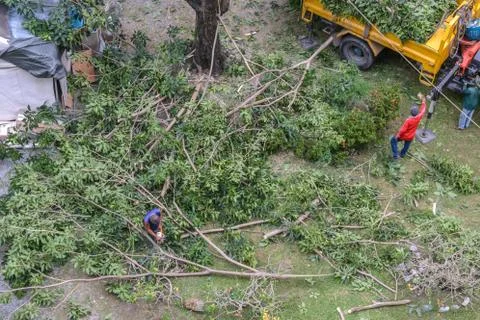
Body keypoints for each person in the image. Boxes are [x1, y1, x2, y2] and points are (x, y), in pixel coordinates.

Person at [390, 93, 426, 159]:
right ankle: (402, 154)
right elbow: (423, 111)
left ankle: (395, 155)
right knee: (406, 145)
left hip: (405, 135)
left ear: (411, 112)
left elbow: (403, 130)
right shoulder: (419, 117)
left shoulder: (408, 120)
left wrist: (398, 135)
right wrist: (423, 101)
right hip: (411, 136)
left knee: (393, 140)